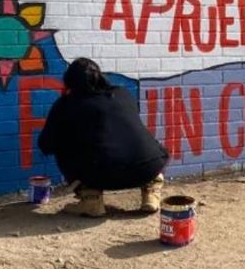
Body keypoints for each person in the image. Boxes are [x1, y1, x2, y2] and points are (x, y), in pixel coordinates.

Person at [38, 58, 168, 217]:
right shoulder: (122, 93)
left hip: (100, 175)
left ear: (69, 82)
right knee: (144, 144)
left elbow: (46, 144)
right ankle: (151, 191)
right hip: (148, 168)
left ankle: (91, 198)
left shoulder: (66, 104)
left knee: (62, 147)